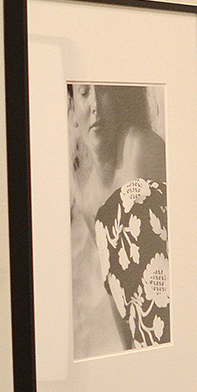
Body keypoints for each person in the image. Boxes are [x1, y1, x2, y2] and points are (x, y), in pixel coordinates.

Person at [68, 83, 170, 358]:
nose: (95, 105)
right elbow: (114, 290)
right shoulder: (89, 201)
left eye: (103, 91)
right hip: (144, 344)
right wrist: (130, 358)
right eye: (85, 93)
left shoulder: (139, 148)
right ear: (74, 110)